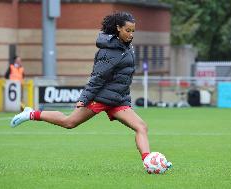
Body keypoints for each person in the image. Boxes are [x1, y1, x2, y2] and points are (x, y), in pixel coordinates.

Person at [10, 12, 151, 163]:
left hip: (118, 100)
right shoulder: (108, 51)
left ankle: (149, 161)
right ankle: (31, 114)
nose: (131, 34)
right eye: (127, 31)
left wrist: (124, 97)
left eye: (133, 31)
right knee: (69, 122)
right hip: (101, 97)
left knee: (141, 127)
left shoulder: (127, 48)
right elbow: (97, 78)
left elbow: (123, 78)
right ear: (118, 28)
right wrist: (84, 99)